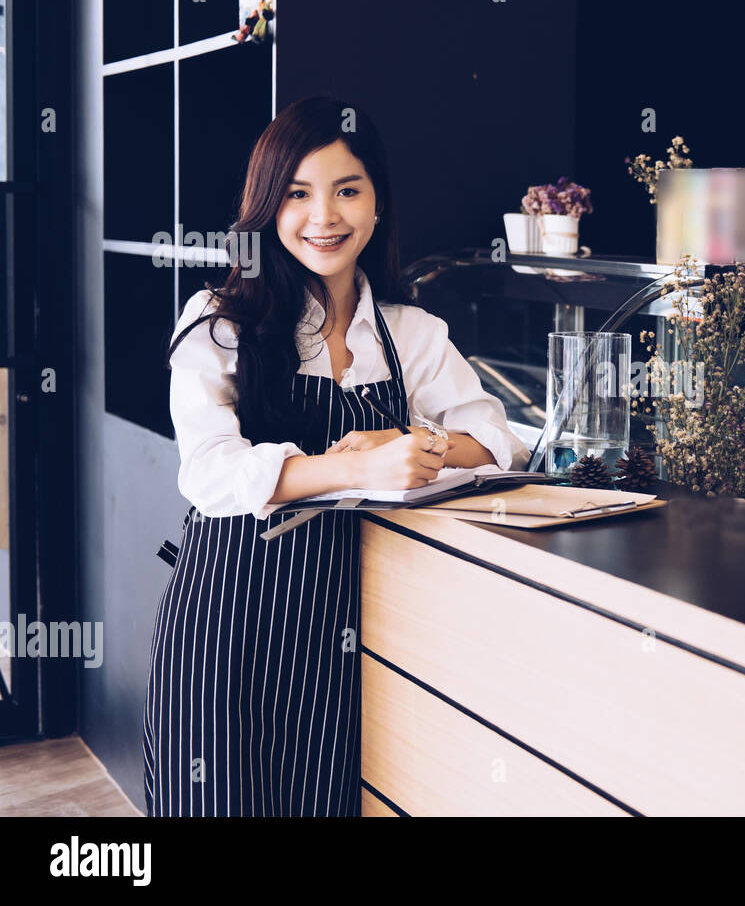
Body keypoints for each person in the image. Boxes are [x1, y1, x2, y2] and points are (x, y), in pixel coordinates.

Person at [141, 96, 529, 816]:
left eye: (347, 190)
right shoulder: (220, 321)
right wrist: (357, 467)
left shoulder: (411, 333)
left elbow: (499, 442)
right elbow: (209, 472)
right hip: (226, 625)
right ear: (267, 208)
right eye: (297, 194)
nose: (324, 216)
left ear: (377, 204)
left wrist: (417, 446)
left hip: (343, 635)